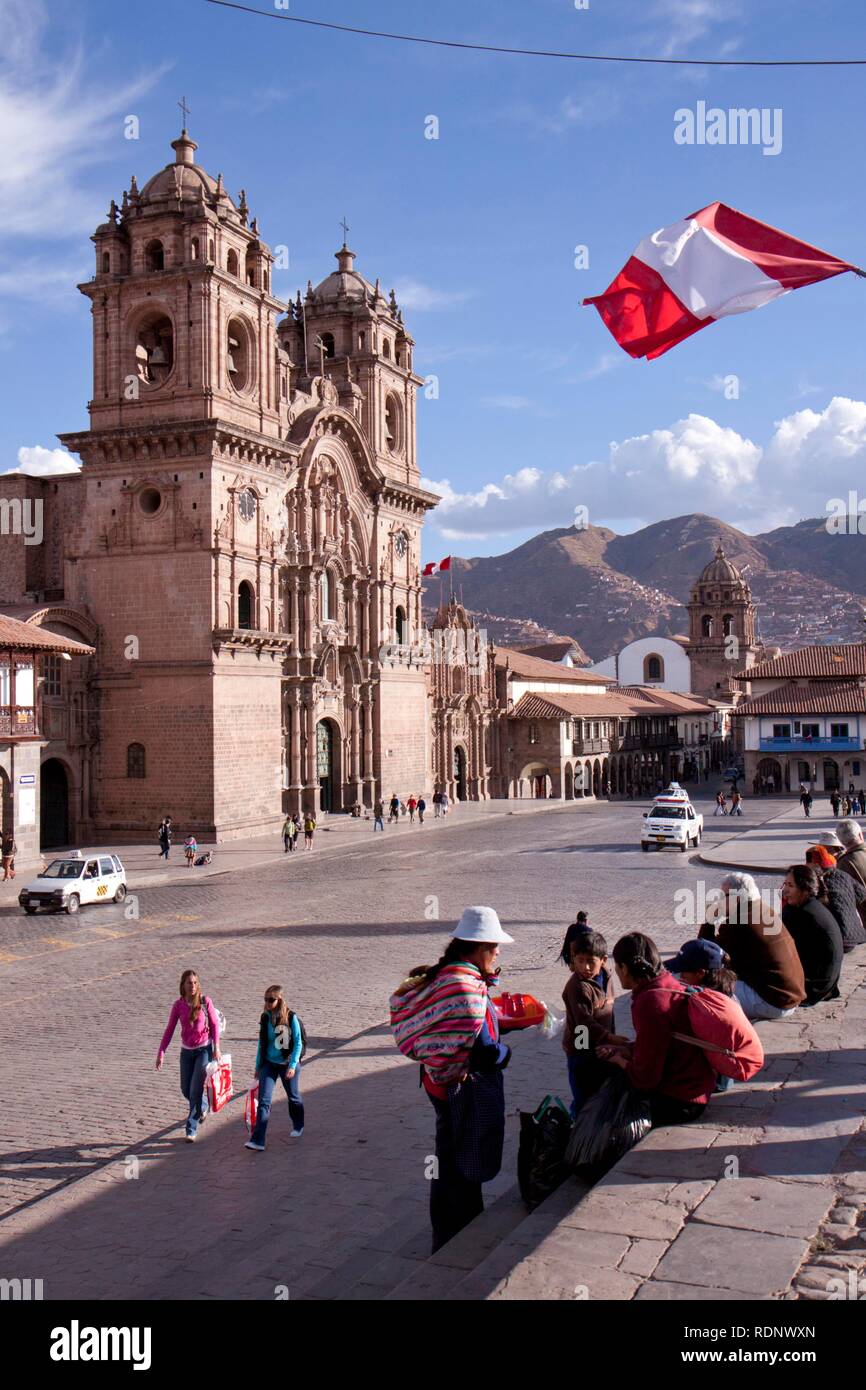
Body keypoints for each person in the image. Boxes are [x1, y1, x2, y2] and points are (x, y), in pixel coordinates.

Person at [390, 906, 516, 1253]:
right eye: (493, 946)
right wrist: (507, 1054)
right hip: (456, 1090)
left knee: (452, 1157)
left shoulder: (450, 974)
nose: (498, 952)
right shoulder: (464, 987)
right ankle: (452, 1236)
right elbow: (486, 1050)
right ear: (476, 948)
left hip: (437, 1083)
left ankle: (457, 1229)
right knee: (456, 1164)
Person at [596, 933, 716, 1127]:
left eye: (617, 966)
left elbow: (646, 1078)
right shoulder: (665, 982)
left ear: (624, 969)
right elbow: (660, 1042)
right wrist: (627, 1050)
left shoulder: (650, 1002)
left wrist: (619, 1060)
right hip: (697, 1087)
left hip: (681, 1100)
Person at [698, 871, 805, 1021]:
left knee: (700, 989)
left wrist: (709, 919)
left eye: (723, 896)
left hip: (773, 1003)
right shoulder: (763, 909)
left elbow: (705, 955)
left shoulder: (738, 921)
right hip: (789, 997)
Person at [560, 928, 622, 1118]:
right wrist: (609, 1037)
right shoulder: (577, 986)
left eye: (590, 962)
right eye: (580, 961)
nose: (585, 967)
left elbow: (609, 1012)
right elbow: (583, 1022)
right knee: (583, 1097)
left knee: (599, 1092)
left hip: (601, 1046)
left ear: (603, 960)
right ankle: (577, 1135)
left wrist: (609, 1042)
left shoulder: (607, 977)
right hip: (581, 1048)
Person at [155, 969, 221, 1142]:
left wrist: (217, 1047)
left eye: (194, 983)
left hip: (203, 1050)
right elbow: (169, 1029)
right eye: (188, 983)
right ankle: (204, 1105)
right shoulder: (178, 1005)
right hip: (186, 1052)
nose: (192, 986)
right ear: (182, 986)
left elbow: (214, 1025)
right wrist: (161, 1052)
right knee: (186, 1089)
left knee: (194, 1090)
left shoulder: (205, 1002)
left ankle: (191, 1128)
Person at [245, 984, 304, 1150]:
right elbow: (261, 1044)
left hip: (287, 1064)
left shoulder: (290, 1017)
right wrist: (258, 1066)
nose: (267, 1003)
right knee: (264, 1101)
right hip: (269, 1064)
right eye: (265, 999)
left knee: (293, 1097)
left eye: (271, 1000)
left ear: (279, 1000)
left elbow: (298, 1043)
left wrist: (292, 1065)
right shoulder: (265, 1018)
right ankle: (258, 1140)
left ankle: (298, 1123)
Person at [781, 865, 844, 1005]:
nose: (784, 890)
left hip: (813, 987)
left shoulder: (802, 915)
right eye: (785, 884)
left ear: (805, 889)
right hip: (826, 983)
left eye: (790, 885)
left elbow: (782, 951)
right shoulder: (811, 907)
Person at [805, 845, 866, 952]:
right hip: (854, 937)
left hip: (834, 940)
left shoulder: (812, 881)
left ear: (813, 864)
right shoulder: (844, 875)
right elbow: (862, 895)